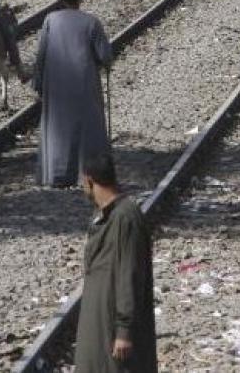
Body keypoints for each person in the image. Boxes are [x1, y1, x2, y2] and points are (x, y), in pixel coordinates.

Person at [75, 154, 157, 373]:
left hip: (111, 325)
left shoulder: (125, 218)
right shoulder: (107, 216)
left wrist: (124, 331)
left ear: (89, 181)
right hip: (100, 322)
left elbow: (130, 274)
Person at [33, 0, 112, 188]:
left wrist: (38, 81)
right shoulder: (91, 22)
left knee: (57, 129)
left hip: (56, 85)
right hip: (84, 84)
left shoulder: (50, 20)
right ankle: (86, 173)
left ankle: (56, 173)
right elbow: (105, 55)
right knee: (86, 128)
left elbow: (41, 54)